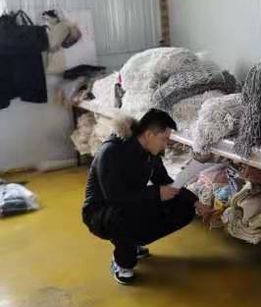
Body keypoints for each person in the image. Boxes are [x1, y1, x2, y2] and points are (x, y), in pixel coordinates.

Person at [82, 108, 207, 285]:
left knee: (183, 206)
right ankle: (122, 262)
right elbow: (115, 197)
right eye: (164, 139)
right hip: (101, 213)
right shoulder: (111, 151)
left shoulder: (150, 154)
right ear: (149, 135)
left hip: (130, 204)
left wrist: (195, 201)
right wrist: (157, 193)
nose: (166, 145)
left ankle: (132, 242)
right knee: (120, 216)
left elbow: (165, 181)